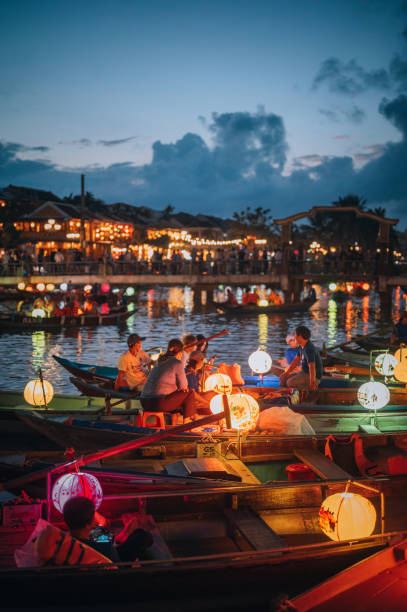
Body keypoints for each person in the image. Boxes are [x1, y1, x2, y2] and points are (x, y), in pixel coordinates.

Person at [63, 496, 153, 563]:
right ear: (89, 523)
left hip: (93, 541)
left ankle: (120, 537)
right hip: (117, 562)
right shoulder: (104, 547)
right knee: (142, 536)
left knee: (101, 531)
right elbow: (116, 561)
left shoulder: (62, 540)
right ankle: (121, 538)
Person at [140, 338, 202, 421]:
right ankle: (187, 424)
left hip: (144, 402)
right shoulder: (177, 363)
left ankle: (182, 420)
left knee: (179, 400)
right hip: (157, 403)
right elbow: (184, 387)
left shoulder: (159, 361)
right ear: (180, 353)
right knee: (189, 393)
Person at [279, 325, 323, 391]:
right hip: (304, 372)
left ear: (299, 336)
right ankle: (286, 394)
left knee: (289, 382)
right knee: (283, 379)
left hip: (314, 377)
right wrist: (286, 373)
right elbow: (296, 360)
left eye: (295, 335)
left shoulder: (309, 349)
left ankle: (306, 391)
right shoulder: (301, 346)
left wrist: (312, 382)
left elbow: (312, 367)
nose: (294, 337)